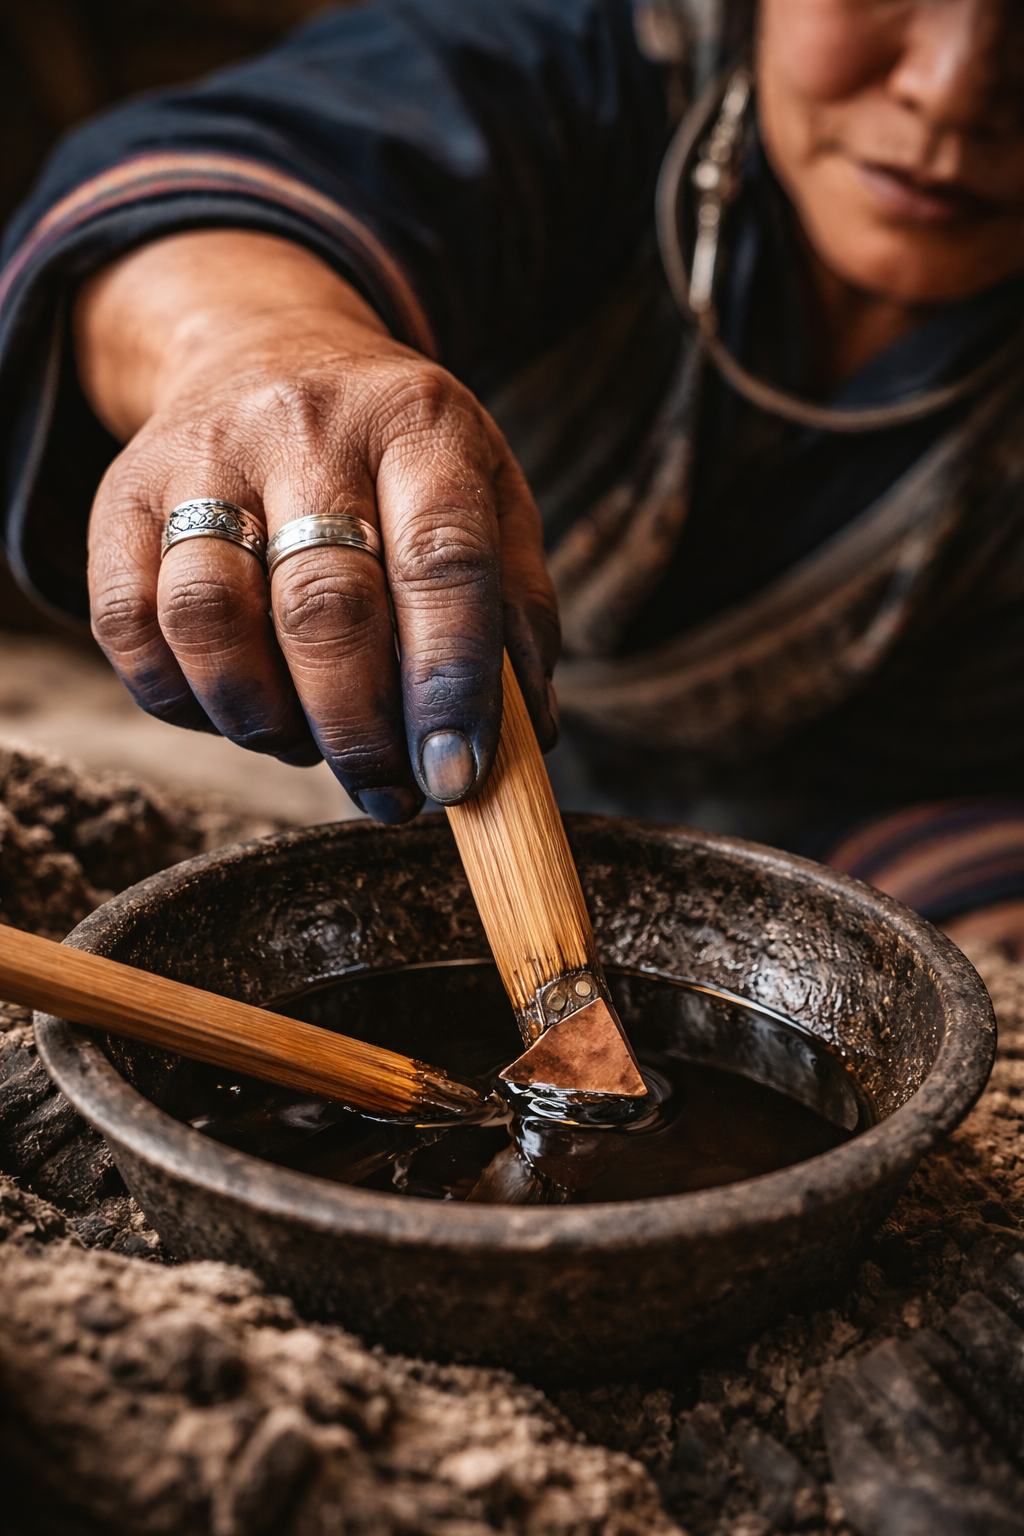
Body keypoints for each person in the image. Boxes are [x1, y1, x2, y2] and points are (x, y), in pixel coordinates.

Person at [1, 0, 1023, 948]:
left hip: (817, 867)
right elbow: (202, 193)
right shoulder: (602, 61)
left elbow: (956, 780)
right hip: (374, 789)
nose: (952, 87)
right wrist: (258, 349)